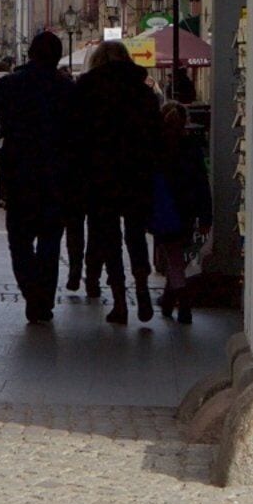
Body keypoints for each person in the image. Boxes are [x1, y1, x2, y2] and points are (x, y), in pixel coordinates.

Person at [0, 31, 79, 327]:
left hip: (19, 174)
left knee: (20, 239)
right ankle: (43, 301)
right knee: (51, 241)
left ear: (29, 53)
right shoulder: (67, 90)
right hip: (58, 176)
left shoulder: (9, 86)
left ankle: (31, 291)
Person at [75, 44, 168, 324]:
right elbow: (156, 132)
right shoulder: (143, 90)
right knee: (136, 234)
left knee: (109, 238)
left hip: (100, 174)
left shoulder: (87, 89)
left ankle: (119, 302)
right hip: (136, 172)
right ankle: (141, 288)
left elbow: (76, 134)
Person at [152, 70, 215, 326]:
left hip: (164, 209)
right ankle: (169, 300)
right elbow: (201, 182)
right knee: (176, 255)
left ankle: (183, 302)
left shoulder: (157, 148)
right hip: (188, 209)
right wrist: (206, 215)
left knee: (173, 257)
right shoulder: (191, 148)